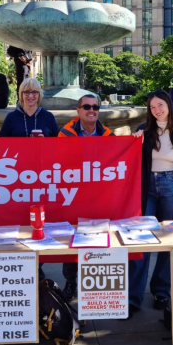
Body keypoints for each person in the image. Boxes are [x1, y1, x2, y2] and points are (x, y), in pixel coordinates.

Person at [129, 90, 173, 312]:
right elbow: (131, 161)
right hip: (147, 188)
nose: (157, 110)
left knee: (168, 241)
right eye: (152, 107)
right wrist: (133, 143)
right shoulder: (143, 131)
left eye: (160, 105)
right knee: (142, 242)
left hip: (171, 187)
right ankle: (133, 297)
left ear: (168, 105)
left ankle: (161, 293)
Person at [57, 94, 114, 300]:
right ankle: (71, 283)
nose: (92, 110)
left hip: (99, 195)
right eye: (87, 107)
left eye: (95, 107)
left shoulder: (108, 135)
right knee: (72, 237)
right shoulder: (65, 133)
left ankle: (97, 286)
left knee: (98, 237)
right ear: (78, 110)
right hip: (74, 193)